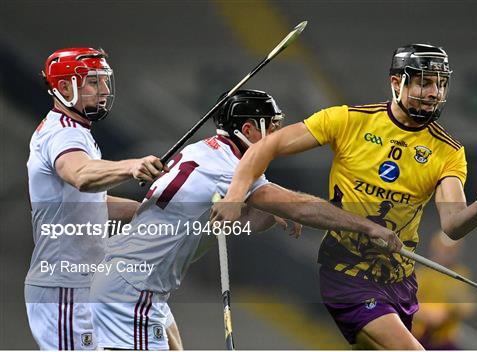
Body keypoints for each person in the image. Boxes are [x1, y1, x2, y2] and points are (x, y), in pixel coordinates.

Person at [211, 44, 477, 349]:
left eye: (440, 83)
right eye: (424, 82)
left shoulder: (448, 151)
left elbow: (452, 225)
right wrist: (237, 192)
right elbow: (270, 145)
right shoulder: (347, 120)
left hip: (400, 281)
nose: (434, 92)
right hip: (346, 273)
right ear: (396, 82)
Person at [89, 89, 402, 350]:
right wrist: (367, 226)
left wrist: (272, 211)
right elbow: (303, 207)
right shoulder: (230, 168)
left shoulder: (203, 152)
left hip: (136, 283)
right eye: (272, 126)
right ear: (248, 130)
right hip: (132, 289)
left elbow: (238, 223)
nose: (278, 134)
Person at [25, 47, 175, 350]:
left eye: (105, 81)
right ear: (65, 87)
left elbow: (93, 204)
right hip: (64, 287)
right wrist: (131, 166)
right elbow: (80, 175)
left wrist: (147, 211)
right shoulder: (64, 134)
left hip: (86, 283)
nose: (104, 90)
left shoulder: (77, 132)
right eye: (93, 82)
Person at [412, 231, 477, 350]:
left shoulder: (461, 275)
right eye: (443, 249)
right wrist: (428, 314)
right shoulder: (423, 274)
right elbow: (409, 304)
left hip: (446, 338)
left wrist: (446, 312)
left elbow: (468, 306)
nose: (447, 253)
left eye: (452, 250)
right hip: (420, 337)